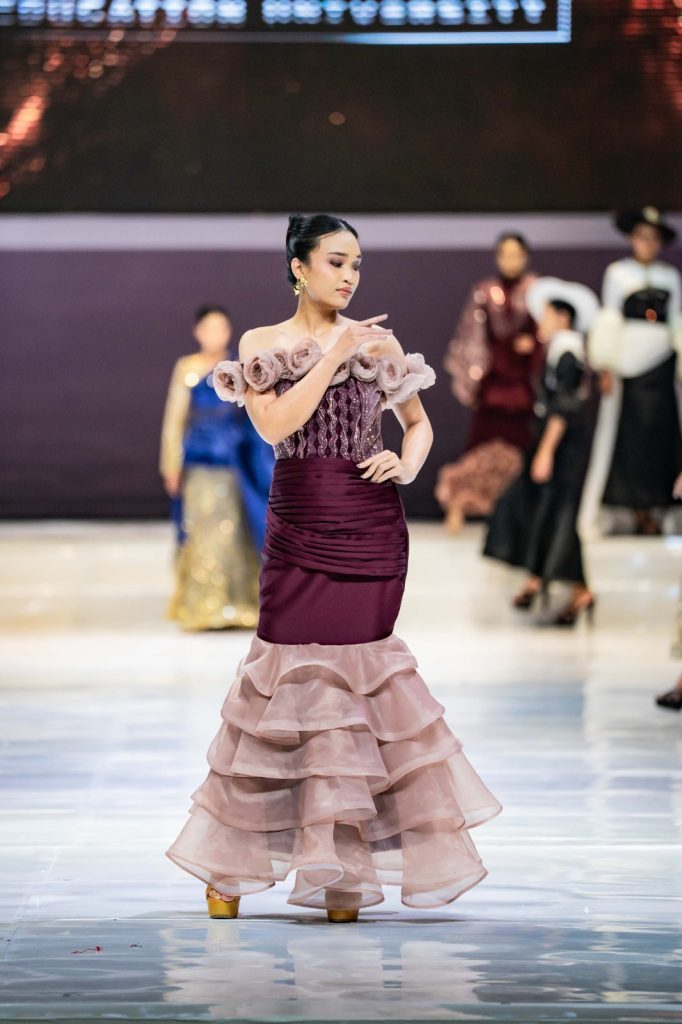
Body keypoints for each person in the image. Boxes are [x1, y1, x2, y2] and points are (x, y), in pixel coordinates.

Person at [165, 214, 502, 923]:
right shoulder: (262, 345)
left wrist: (405, 462)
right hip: (300, 520)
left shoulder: (379, 342)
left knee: (362, 693)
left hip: (372, 524)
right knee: (280, 688)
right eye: (336, 262)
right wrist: (331, 350)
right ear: (298, 266)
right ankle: (231, 864)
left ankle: (343, 868)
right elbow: (274, 427)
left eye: (357, 266)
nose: (349, 277)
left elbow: (419, 423)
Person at [483, 278, 599, 626]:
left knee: (558, 514)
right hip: (552, 444)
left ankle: (576, 588)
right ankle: (540, 579)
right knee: (541, 510)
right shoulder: (562, 349)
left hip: (562, 448)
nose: (541, 322)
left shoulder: (567, 352)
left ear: (562, 317)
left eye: (547, 315)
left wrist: (547, 451)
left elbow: (564, 408)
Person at [159, 305, 274, 631]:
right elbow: (174, 419)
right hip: (198, 458)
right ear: (198, 332)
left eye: (220, 328)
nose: (215, 335)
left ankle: (240, 602)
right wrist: (171, 464)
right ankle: (202, 604)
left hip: (234, 459)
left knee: (237, 529)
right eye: (208, 328)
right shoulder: (188, 366)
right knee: (202, 527)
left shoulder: (238, 365)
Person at [579, 207, 682, 538]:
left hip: (662, 367)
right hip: (629, 366)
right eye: (641, 237)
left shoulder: (670, 276)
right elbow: (610, 318)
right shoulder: (618, 273)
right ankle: (636, 509)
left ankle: (659, 507)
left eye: (653, 238)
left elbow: (675, 320)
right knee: (631, 437)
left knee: (663, 437)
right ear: (631, 239)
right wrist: (606, 365)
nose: (647, 243)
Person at [436, 233, 542, 532]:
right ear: (498, 257)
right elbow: (471, 337)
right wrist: (476, 377)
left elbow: (547, 332)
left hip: (524, 385)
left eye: (516, 254)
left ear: (525, 257)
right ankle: (459, 504)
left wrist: (534, 344)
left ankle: (519, 514)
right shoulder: (485, 290)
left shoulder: (537, 289)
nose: (511, 261)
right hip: (494, 383)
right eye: (505, 254)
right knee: (481, 448)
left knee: (524, 449)